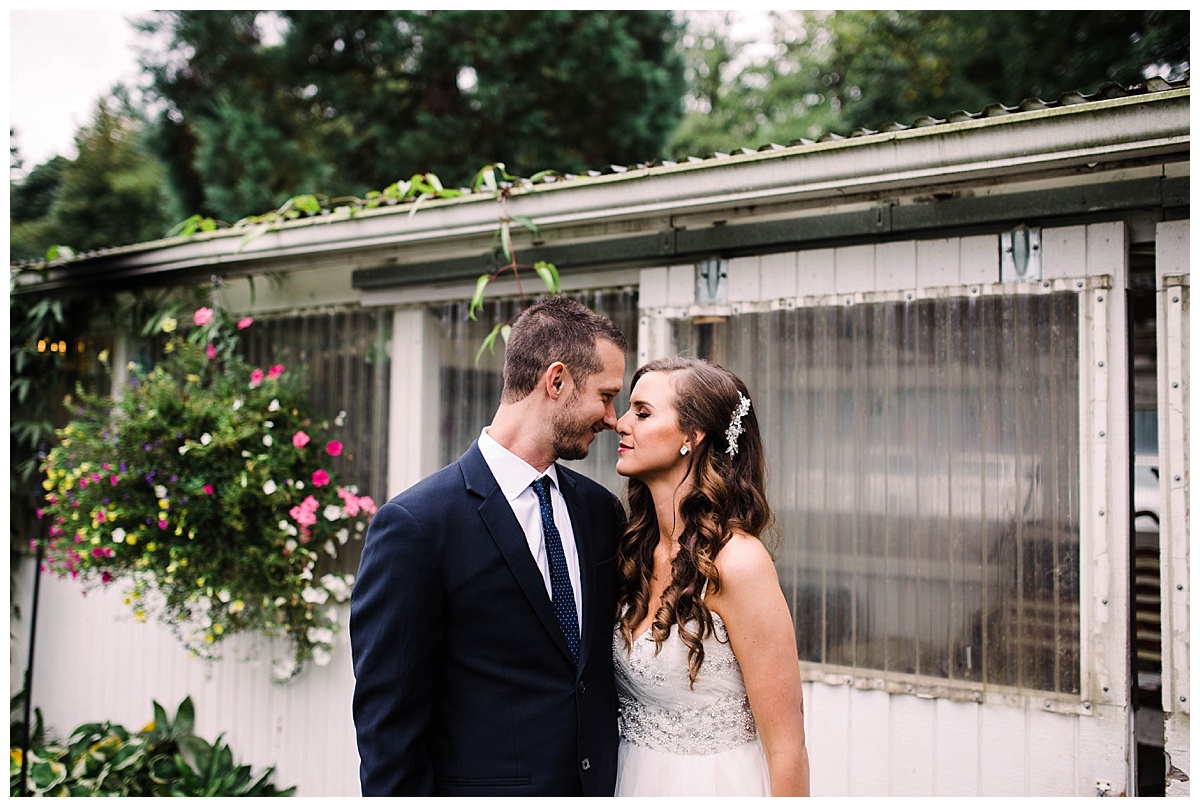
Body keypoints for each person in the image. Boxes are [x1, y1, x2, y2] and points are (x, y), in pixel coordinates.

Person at [349, 296, 629, 796]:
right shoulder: (417, 526)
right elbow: (387, 725)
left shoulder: (599, 511)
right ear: (557, 380)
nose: (613, 417)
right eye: (606, 395)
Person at [612, 356, 810, 796]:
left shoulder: (738, 563)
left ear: (692, 436)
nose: (620, 423)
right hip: (633, 779)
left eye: (642, 413)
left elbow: (787, 748)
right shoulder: (634, 549)